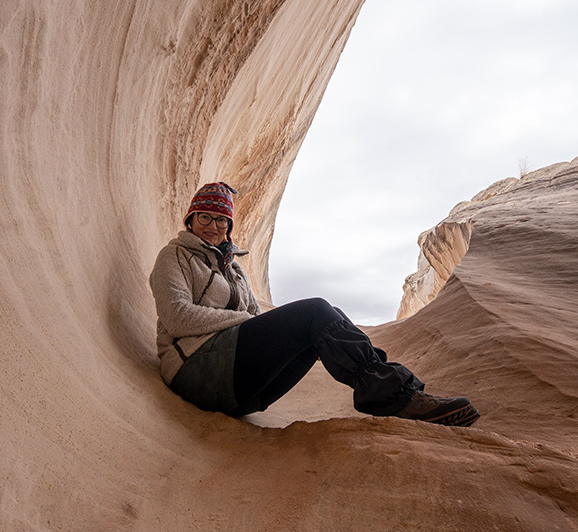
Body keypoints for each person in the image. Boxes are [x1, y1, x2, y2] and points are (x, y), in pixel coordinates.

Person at [149, 182, 480, 426]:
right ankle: (399, 399)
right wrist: (243, 324)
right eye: (204, 217)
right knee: (315, 311)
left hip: (244, 391)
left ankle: (401, 393)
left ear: (229, 228)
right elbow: (178, 317)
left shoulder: (234, 270)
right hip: (195, 373)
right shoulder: (174, 256)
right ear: (190, 220)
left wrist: (248, 324)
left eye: (221, 221)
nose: (213, 226)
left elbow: (253, 317)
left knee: (328, 319)